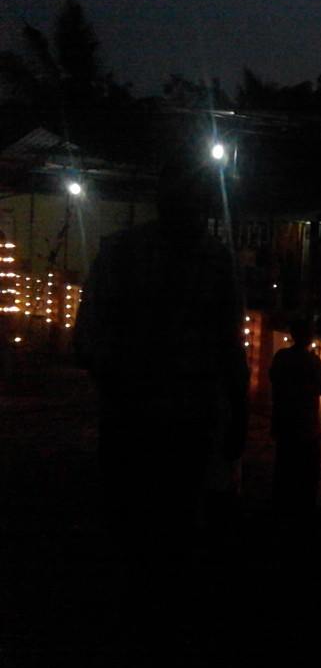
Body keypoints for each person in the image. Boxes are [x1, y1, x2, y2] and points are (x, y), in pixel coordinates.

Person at [73, 151, 249, 626]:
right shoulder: (217, 262)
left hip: (130, 418)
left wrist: (121, 377)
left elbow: (85, 341)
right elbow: (231, 347)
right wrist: (238, 412)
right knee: (179, 524)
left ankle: (138, 612)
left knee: (132, 525)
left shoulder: (118, 252)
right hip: (189, 421)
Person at [269, 316, 321, 515]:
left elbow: (273, 380)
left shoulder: (281, 357)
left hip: (284, 420)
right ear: (309, 337)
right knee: (306, 471)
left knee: (284, 466)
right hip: (306, 425)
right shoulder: (312, 361)